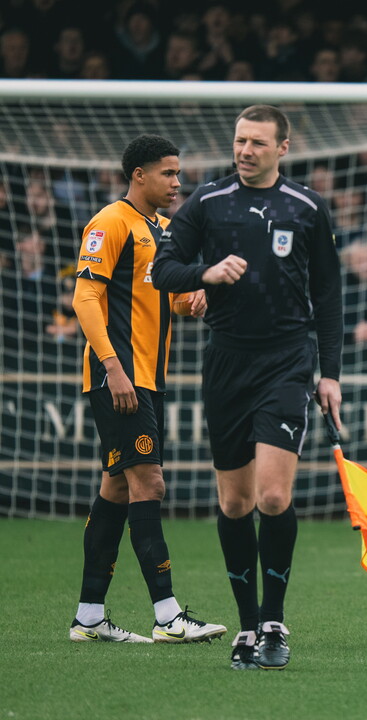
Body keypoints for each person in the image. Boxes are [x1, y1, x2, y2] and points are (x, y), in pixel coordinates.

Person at [152, 105, 342, 671]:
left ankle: (275, 623)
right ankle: (247, 626)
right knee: (234, 502)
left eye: (258, 142)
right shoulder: (207, 203)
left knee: (274, 497)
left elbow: (329, 296)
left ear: (283, 147)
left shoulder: (306, 207)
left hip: (287, 361)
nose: (245, 150)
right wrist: (204, 274)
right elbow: (162, 270)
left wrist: (328, 372)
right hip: (227, 364)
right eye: (240, 141)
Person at [69, 134, 224, 644]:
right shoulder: (109, 222)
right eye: (168, 173)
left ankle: (89, 618)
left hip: (148, 377)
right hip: (121, 375)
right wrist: (112, 366)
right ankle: (168, 616)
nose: (178, 183)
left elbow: (163, 297)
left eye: (178, 173)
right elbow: (86, 298)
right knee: (149, 484)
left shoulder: (161, 229)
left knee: (117, 487)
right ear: (139, 174)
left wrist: (190, 300)